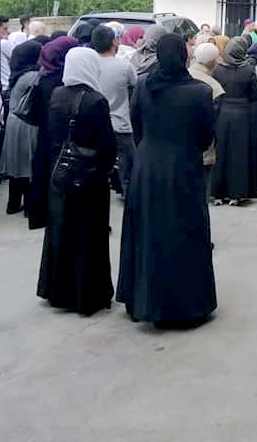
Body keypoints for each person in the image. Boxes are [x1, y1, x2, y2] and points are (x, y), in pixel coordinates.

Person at [117, 34, 217, 326]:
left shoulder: (144, 85)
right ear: (184, 56)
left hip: (147, 166)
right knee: (183, 231)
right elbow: (206, 137)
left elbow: (136, 125)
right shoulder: (200, 92)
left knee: (148, 230)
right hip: (183, 166)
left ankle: (143, 298)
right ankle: (186, 305)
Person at [35, 48, 116, 315]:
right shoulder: (95, 101)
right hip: (89, 176)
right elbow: (107, 144)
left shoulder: (57, 94)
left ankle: (56, 290)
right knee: (87, 234)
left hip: (60, 172)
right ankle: (86, 295)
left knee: (61, 230)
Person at [27, 36, 80, 230]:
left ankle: (37, 214)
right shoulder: (64, 81)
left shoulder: (43, 76)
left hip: (44, 133)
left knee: (42, 172)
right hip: (61, 136)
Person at [211, 37, 257, 204]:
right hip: (242, 114)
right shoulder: (248, 70)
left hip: (222, 113)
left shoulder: (218, 70)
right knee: (239, 154)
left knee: (221, 152)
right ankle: (236, 193)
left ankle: (218, 193)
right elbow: (255, 94)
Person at [93, 25, 139, 202]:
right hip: (120, 123)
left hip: (96, 124)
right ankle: (129, 197)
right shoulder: (124, 66)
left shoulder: (90, 65)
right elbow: (135, 86)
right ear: (114, 41)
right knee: (128, 165)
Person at [0, 40, 42, 215]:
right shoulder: (33, 75)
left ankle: (13, 203)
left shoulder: (18, 73)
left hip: (14, 121)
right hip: (27, 123)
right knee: (28, 164)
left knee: (16, 163)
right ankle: (31, 205)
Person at [189, 42, 226, 201]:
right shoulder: (214, 87)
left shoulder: (182, 76)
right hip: (202, 150)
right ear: (213, 62)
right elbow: (213, 123)